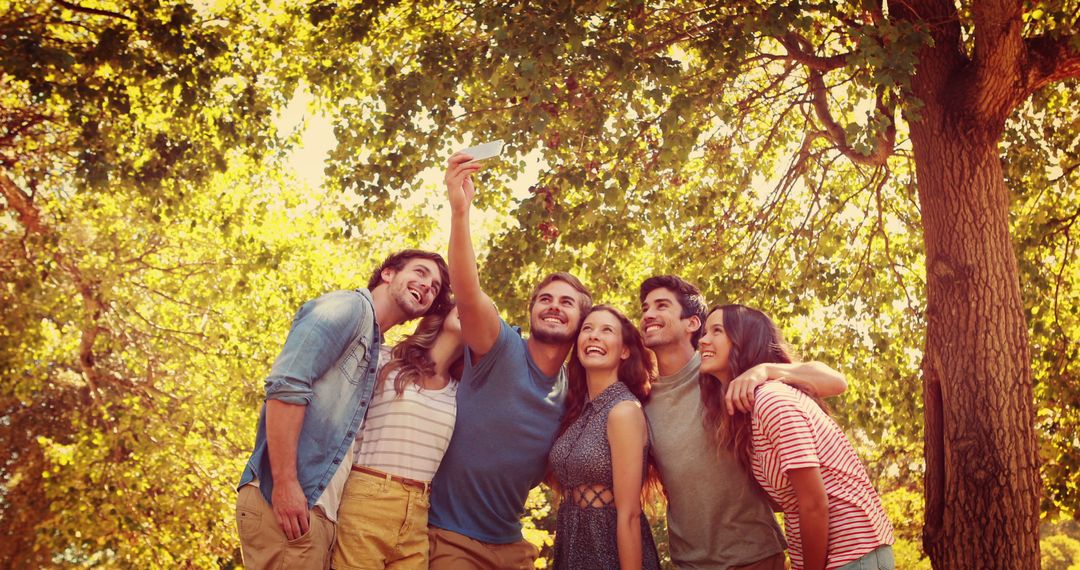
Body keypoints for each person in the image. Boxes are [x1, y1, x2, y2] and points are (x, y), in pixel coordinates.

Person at [235, 250, 451, 570]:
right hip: (291, 500)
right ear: (388, 273)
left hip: (319, 507)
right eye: (420, 273)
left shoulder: (374, 345)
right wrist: (285, 483)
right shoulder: (348, 308)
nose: (427, 286)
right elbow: (286, 385)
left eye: (434, 287)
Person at [427, 152, 592, 569]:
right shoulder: (500, 347)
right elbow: (468, 291)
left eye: (567, 302)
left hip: (512, 546)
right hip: (451, 539)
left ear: (582, 319)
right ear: (532, 309)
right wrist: (460, 211)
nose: (554, 307)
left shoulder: (578, 387)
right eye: (546, 300)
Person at [638, 275, 847, 569]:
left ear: (692, 323)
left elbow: (834, 381)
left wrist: (764, 370)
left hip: (755, 557)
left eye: (661, 306)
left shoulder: (722, 368)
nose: (648, 314)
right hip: (689, 562)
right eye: (645, 308)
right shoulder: (643, 401)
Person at [698, 304, 894, 570]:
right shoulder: (747, 412)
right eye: (705, 331)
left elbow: (814, 503)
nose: (703, 339)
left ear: (744, 340)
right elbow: (787, 501)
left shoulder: (771, 399)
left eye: (716, 331)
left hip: (852, 556)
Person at [332, 306, 465, 570]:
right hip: (368, 496)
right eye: (466, 302)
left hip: (419, 510)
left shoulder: (461, 392)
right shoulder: (386, 359)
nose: (474, 308)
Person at [548, 305, 661, 569]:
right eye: (587, 329)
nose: (594, 336)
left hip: (610, 550)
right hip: (571, 548)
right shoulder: (576, 413)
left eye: (606, 330)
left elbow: (630, 514)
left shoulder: (623, 411)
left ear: (624, 351)